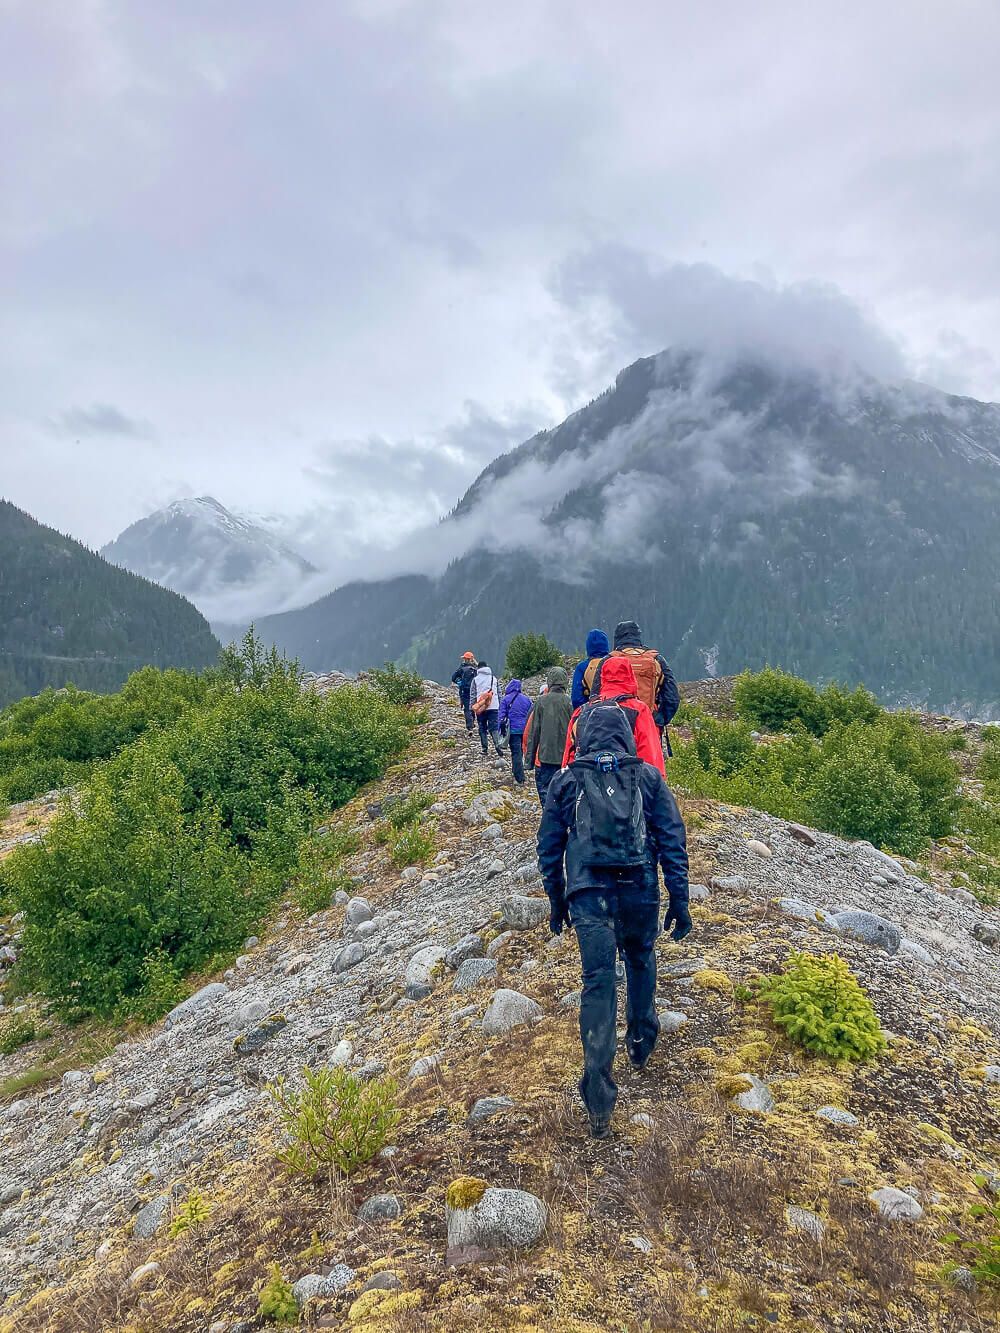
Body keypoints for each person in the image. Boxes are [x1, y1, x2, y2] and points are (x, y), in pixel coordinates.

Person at [537, 703, 691, 1139]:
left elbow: (548, 847)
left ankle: (599, 1099)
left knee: (598, 982)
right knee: (641, 960)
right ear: (626, 735)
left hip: (588, 893)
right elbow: (672, 839)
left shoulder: (567, 782)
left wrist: (556, 900)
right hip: (639, 885)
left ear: (582, 737)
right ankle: (641, 1043)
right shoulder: (647, 777)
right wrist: (678, 900)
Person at [562, 656, 666, 775]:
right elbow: (650, 756)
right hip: (628, 785)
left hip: (588, 786)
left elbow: (568, 760)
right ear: (630, 677)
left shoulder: (581, 711)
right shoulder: (639, 710)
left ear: (602, 678)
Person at [591, 620, 680, 752]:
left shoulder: (608, 660)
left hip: (612, 727)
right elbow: (672, 697)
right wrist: (658, 720)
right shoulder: (656, 659)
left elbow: (594, 697)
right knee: (649, 767)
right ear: (638, 636)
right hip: (647, 725)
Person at [525, 665, 573, 807]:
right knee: (564, 793)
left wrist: (529, 760)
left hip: (545, 757)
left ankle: (550, 819)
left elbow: (534, 732)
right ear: (565, 682)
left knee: (546, 792)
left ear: (549, 682)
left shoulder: (541, 701)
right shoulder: (569, 702)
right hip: (564, 758)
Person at [498, 678, 533, 784]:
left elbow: (501, 716)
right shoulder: (527, 699)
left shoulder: (506, 699)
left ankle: (519, 777)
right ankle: (517, 770)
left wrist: (501, 730)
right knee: (521, 752)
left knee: (515, 752)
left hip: (512, 730)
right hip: (525, 729)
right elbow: (531, 714)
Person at [470, 660, 503, 759]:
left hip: (480, 707)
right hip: (494, 706)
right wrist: (500, 705)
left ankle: (484, 749)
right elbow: (499, 693)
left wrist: (472, 707)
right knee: (494, 727)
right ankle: (497, 745)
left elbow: (472, 695)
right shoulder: (494, 678)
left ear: (478, 669)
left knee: (482, 727)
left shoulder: (475, 680)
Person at [571, 628, 610, 709]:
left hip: (588, 712)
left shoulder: (582, 667)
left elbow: (576, 698)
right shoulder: (613, 663)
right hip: (611, 711)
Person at [450, 651, 478, 733]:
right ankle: (472, 721)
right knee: (473, 706)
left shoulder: (462, 668)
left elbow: (453, 677)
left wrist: (459, 682)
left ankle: (470, 727)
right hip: (475, 691)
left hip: (464, 690)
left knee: (467, 708)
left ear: (465, 659)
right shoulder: (476, 668)